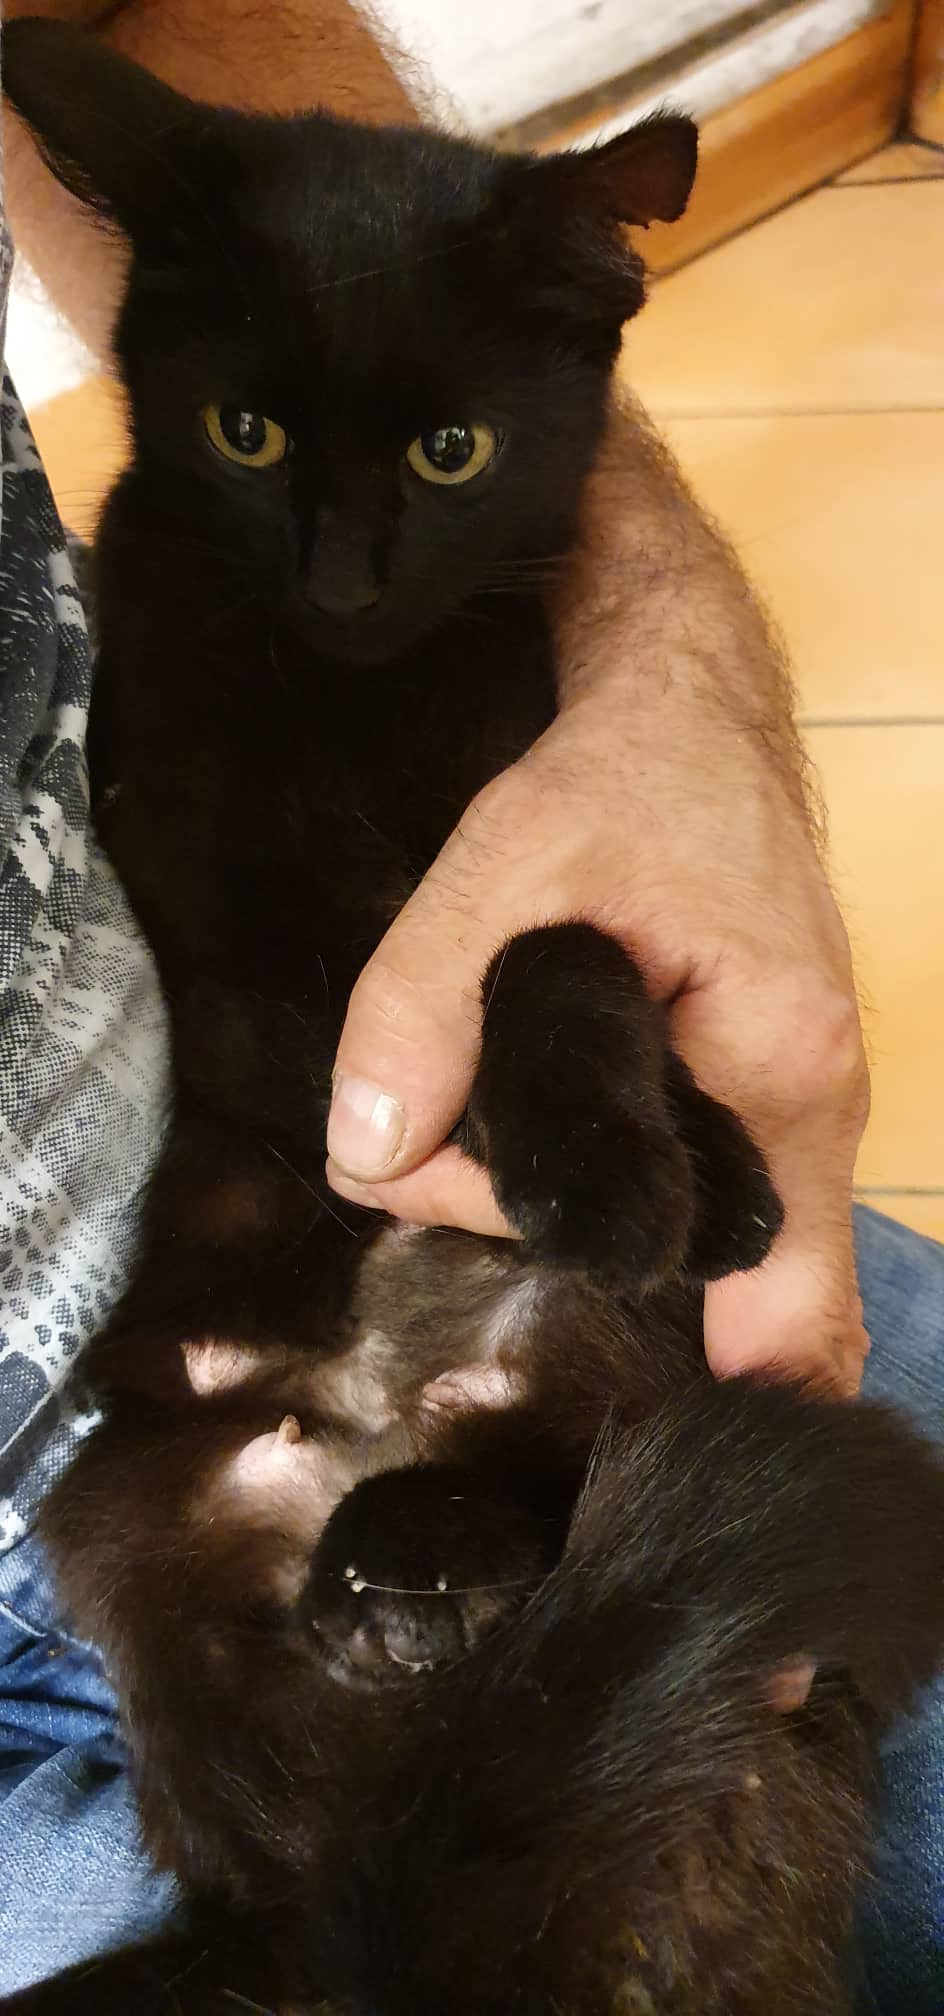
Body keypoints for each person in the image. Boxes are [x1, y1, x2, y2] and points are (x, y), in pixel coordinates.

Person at [0, 3, 940, 2007]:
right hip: (129, 1565)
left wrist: (663, 672)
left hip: (466, 1319)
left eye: (438, 456)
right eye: (252, 443)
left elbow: (116, 21)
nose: (344, 571)